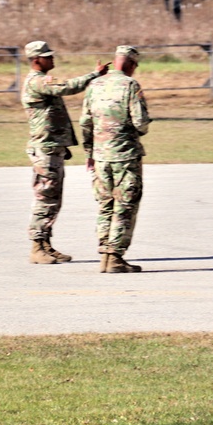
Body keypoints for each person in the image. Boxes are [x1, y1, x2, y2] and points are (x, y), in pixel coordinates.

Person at [22, 40, 107, 265]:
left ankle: (45, 245)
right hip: (45, 149)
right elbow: (67, 87)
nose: (52, 59)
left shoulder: (41, 81)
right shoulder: (37, 81)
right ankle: (37, 246)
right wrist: (93, 75)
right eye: (48, 56)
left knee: (53, 199)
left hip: (52, 147)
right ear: (36, 60)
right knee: (46, 198)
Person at [80, 45, 151, 273]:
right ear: (130, 64)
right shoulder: (130, 85)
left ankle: (104, 255)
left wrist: (90, 152)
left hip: (100, 157)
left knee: (105, 204)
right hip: (125, 156)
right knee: (125, 205)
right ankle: (115, 256)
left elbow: (85, 122)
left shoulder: (95, 84)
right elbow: (141, 122)